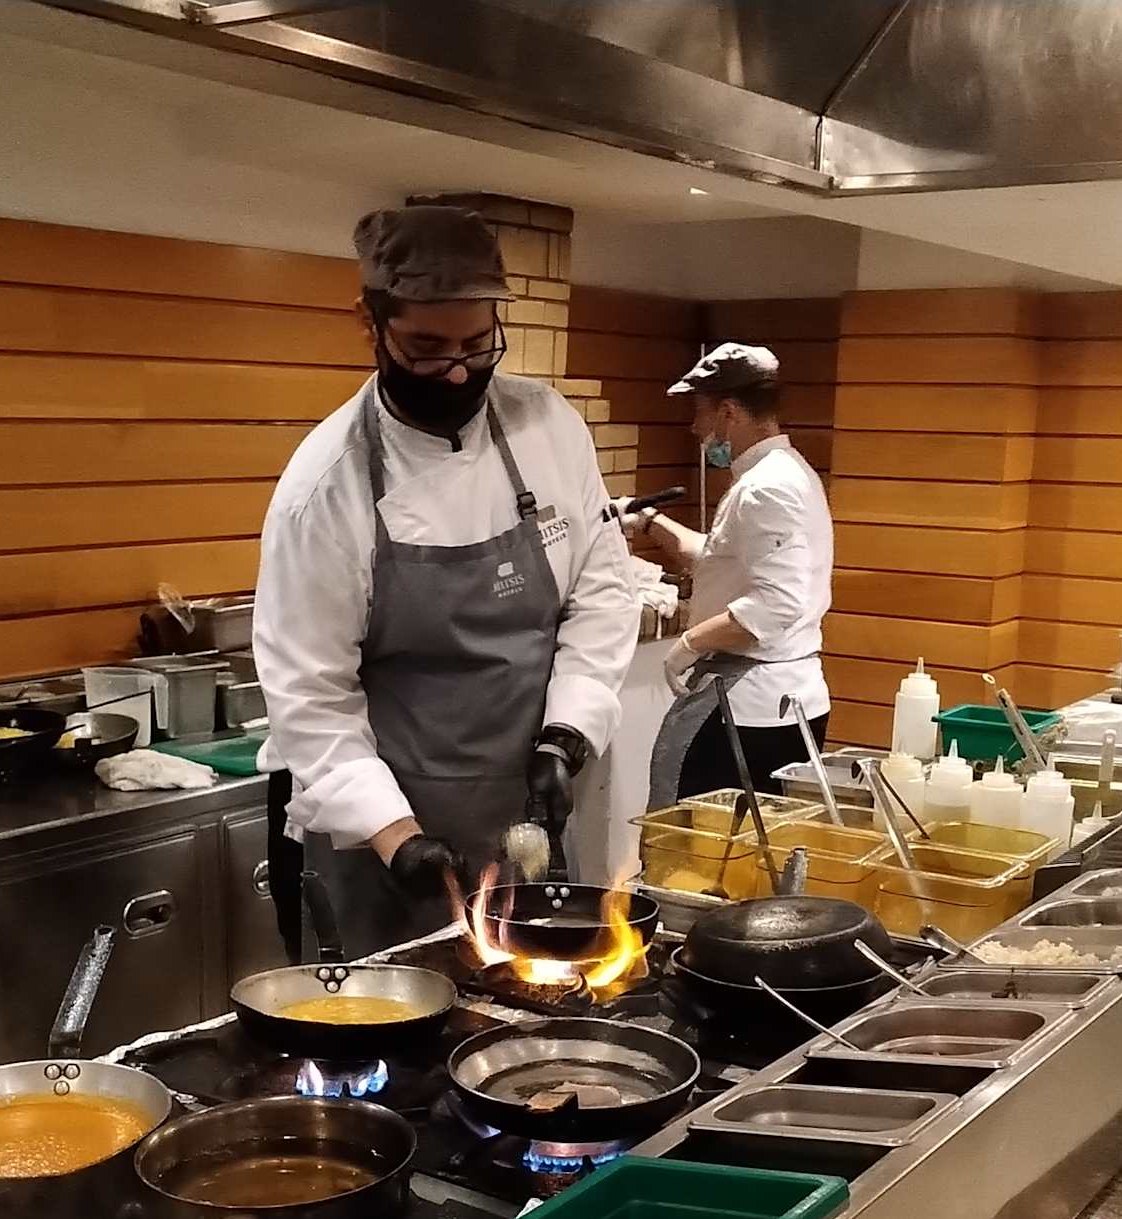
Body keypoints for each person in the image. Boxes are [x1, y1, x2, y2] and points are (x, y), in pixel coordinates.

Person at [254, 204, 638, 958]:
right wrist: (396, 837)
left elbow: (601, 594)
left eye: (476, 344)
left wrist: (566, 736)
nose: (459, 371)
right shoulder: (326, 487)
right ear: (371, 325)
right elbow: (310, 696)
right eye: (428, 349)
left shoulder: (548, 427)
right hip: (383, 833)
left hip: (526, 806)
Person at [625, 342, 835, 805]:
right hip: (776, 703)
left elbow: (777, 604)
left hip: (752, 709)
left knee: (695, 836)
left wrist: (689, 643)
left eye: (700, 413)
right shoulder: (784, 473)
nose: (695, 428)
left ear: (728, 413)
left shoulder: (766, 488)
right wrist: (649, 520)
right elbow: (717, 558)